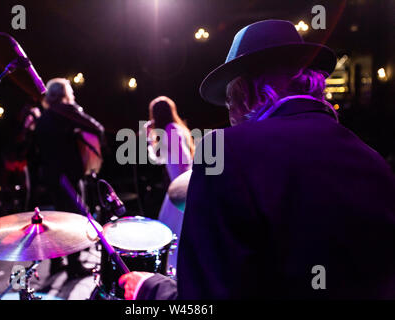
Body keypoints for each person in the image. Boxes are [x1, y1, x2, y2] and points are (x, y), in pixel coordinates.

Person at [119, 19, 395, 299]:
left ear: (244, 93)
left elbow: (204, 297)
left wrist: (150, 289)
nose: (230, 114)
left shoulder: (225, 150)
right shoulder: (372, 160)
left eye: (228, 102)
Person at [34, 78, 105, 278]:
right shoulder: (66, 110)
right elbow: (96, 128)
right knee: (75, 219)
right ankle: (74, 266)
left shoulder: (45, 115)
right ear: (66, 93)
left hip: (50, 174)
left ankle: (57, 263)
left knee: (58, 220)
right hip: (67, 174)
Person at [146, 96, 194, 276]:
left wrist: (182, 187)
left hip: (181, 189)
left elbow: (183, 161)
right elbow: (157, 159)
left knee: (174, 233)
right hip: (178, 187)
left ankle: (177, 274)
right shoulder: (170, 129)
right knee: (173, 232)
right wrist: (151, 137)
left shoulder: (172, 129)